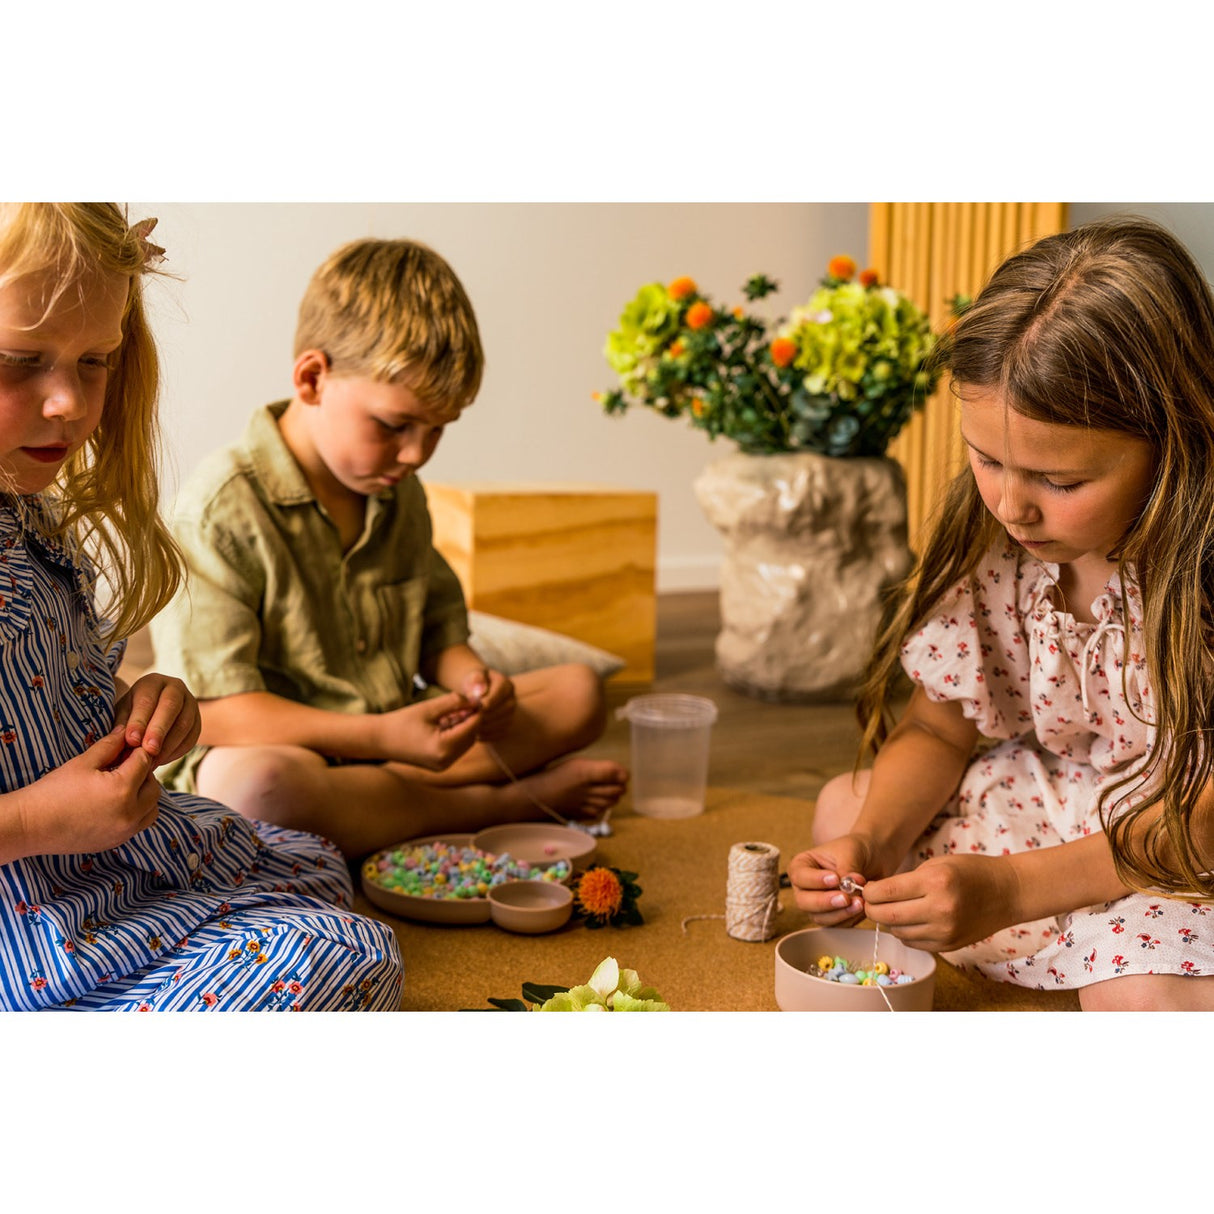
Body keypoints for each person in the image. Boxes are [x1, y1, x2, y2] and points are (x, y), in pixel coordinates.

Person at [789, 216, 1214, 1011]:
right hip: (1073, 803)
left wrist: (1012, 890)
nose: (1011, 506)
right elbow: (936, 729)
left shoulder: (1200, 571)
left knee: (1142, 997)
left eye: (1060, 481)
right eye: (987, 459)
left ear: (1175, 441)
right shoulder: (1003, 549)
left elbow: (1196, 821)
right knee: (846, 808)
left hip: (1182, 840)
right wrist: (872, 841)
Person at [0, 203, 403, 1011]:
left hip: (98, 857)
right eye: (18, 361)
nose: (68, 402)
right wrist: (39, 823)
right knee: (343, 957)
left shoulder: (22, 502)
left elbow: (37, 693)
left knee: (316, 868)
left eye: (95, 360)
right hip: (33, 914)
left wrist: (136, 707)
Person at [150, 236, 627, 858]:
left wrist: (475, 683)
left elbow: (438, 634)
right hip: (291, 751)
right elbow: (214, 711)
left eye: (437, 430)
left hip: (403, 733)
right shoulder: (219, 509)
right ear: (313, 378)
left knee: (578, 693)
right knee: (256, 789)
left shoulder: (398, 492)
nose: (416, 454)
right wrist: (380, 737)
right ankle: (494, 805)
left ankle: (387, 803)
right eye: (395, 425)